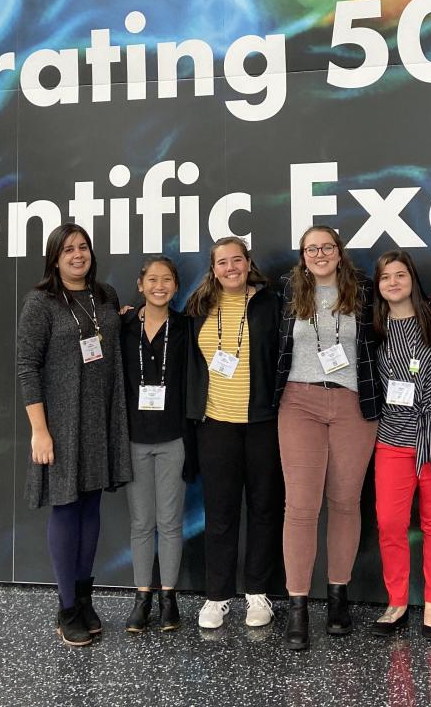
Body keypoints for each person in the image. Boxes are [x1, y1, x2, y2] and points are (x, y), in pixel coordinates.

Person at [16, 223, 131, 648]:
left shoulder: (105, 296)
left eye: (83, 247)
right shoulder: (41, 302)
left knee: (90, 507)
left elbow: (111, 337)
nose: (77, 255)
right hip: (61, 425)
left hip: (101, 420)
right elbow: (28, 367)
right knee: (66, 509)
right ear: (55, 258)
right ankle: (66, 608)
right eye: (68, 250)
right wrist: (39, 431)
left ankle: (85, 599)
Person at [274, 226, 379, 650]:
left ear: (340, 251)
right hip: (298, 402)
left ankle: (338, 597)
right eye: (311, 248)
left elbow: (403, 321)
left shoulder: (365, 289)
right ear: (302, 255)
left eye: (326, 247)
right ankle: (298, 606)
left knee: (345, 503)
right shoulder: (287, 289)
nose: (319, 254)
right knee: (300, 507)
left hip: (355, 403)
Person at [184, 236, 285, 630]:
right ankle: (217, 596)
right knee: (221, 513)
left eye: (237, 260)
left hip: (262, 423)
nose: (230, 268)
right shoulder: (198, 307)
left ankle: (257, 594)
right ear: (213, 269)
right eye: (222, 262)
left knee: (263, 509)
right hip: (215, 425)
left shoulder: (269, 304)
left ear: (248, 263)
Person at [368, 250, 431, 640]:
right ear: (378, 286)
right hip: (393, 436)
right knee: (391, 522)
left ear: (412, 278)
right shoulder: (373, 326)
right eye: (385, 277)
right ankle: (396, 602)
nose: (393, 282)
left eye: (400, 275)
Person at [120, 256, 192, 634]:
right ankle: (142, 597)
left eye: (166, 280)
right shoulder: (124, 325)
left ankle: (169, 598)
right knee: (141, 522)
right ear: (140, 284)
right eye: (152, 279)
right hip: (134, 439)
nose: (159, 286)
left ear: (176, 287)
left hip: (173, 438)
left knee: (169, 522)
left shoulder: (185, 327)